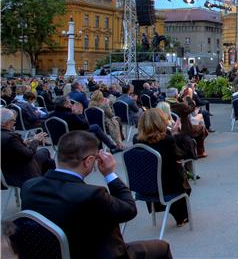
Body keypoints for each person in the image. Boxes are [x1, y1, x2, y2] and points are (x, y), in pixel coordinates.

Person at [19, 130, 172, 258]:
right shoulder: (92, 194)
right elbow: (129, 210)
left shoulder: (29, 187)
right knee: (161, 247)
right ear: (89, 161)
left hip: (51, 254)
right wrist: (110, 175)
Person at [134, 109, 192, 227]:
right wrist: (176, 135)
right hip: (166, 188)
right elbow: (180, 156)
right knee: (182, 179)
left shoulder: (136, 140)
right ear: (160, 122)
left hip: (144, 187)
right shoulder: (167, 140)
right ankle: (181, 216)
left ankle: (171, 211)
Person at [1, 108, 54, 187]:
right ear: (7, 123)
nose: (14, 124)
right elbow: (29, 154)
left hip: (6, 169)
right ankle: (45, 185)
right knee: (46, 154)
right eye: (13, 121)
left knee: (47, 159)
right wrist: (35, 141)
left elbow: (10, 147)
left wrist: (23, 142)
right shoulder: (10, 137)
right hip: (19, 171)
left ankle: (45, 183)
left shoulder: (6, 136)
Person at [47, 95, 122, 152]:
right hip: (71, 139)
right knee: (95, 127)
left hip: (57, 141)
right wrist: (78, 113)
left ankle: (104, 150)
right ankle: (110, 148)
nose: (71, 104)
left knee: (95, 131)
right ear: (65, 105)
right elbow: (85, 125)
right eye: (69, 102)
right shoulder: (70, 115)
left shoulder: (50, 116)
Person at [170, 89, 208, 158]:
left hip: (170, 128)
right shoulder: (180, 106)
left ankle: (195, 145)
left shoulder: (165, 104)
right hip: (184, 129)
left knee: (199, 128)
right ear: (176, 95)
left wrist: (181, 97)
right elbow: (192, 108)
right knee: (202, 128)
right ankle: (200, 151)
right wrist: (188, 98)